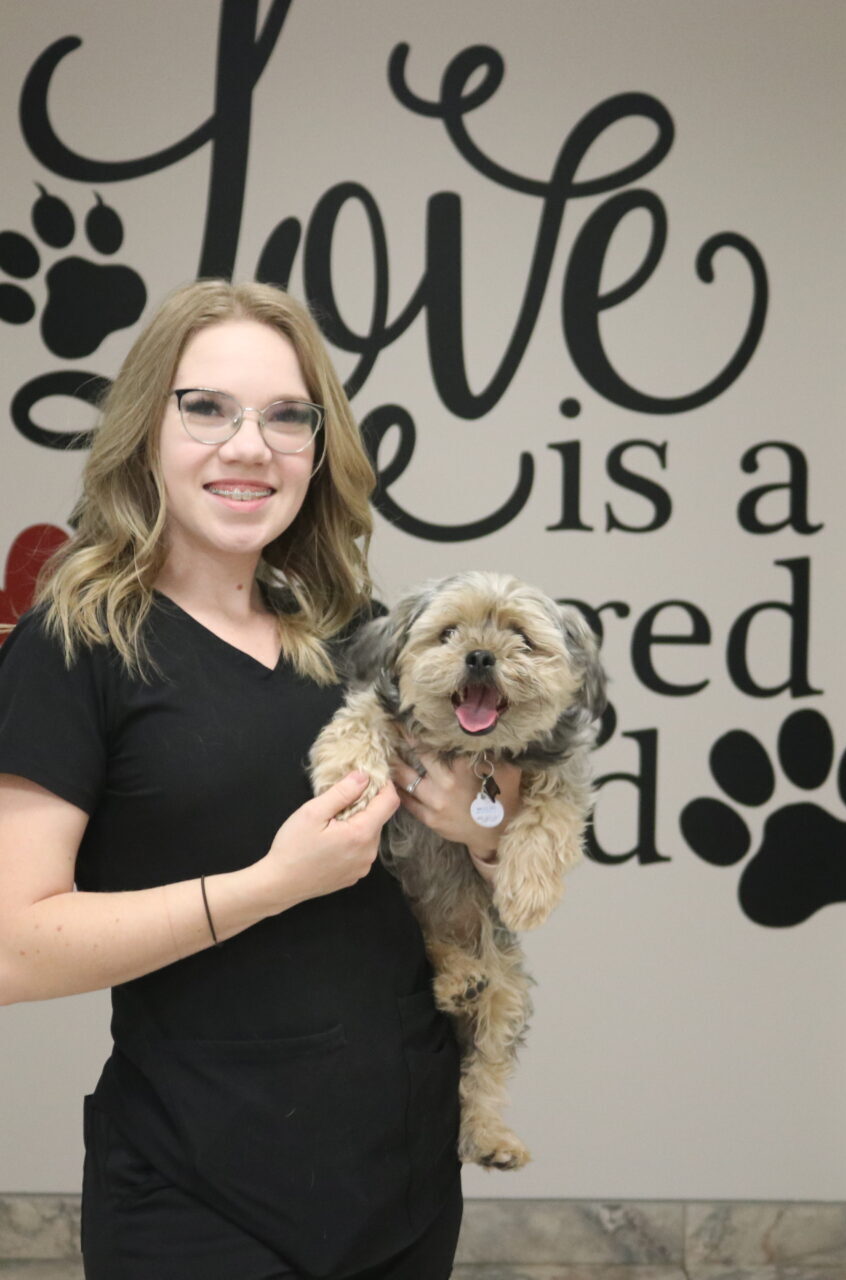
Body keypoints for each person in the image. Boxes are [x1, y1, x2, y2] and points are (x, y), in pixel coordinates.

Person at [0, 280, 520, 1280]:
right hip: (200, 1195)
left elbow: (497, 814)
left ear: (318, 449)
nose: (251, 446)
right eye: (207, 407)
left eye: (288, 415)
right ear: (145, 429)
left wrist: (480, 816)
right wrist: (273, 880)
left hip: (402, 1179)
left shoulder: (359, 632)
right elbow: (14, 948)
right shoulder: (74, 647)